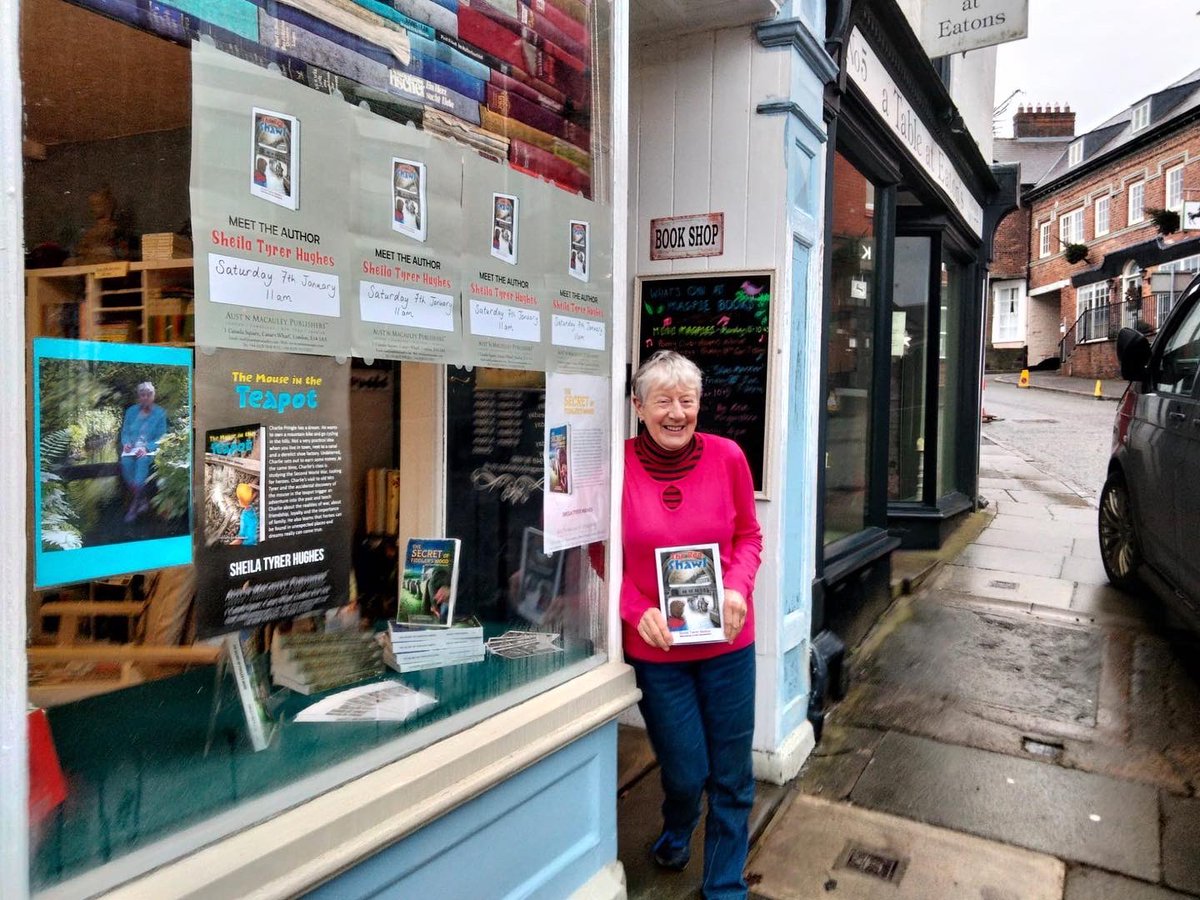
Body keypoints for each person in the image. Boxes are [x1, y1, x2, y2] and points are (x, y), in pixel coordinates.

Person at [621, 350, 762, 899]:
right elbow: (601, 552)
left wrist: (736, 587)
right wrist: (638, 610)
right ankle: (678, 828)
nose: (677, 412)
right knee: (685, 771)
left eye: (688, 400)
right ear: (639, 407)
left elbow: (748, 537)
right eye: (663, 400)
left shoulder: (728, 457)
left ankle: (725, 886)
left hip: (727, 644)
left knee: (732, 776)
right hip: (659, 652)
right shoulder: (619, 464)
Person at [119, 381, 168, 523]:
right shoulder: (131, 411)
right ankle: (142, 498)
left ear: (153, 396)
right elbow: (125, 432)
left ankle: (134, 506)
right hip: (132, 449)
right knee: (126, 462)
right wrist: (126, 443)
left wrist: (147, 448)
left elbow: (162, 437)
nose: (145, 397)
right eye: (142, 395)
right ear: (139, 397)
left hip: (150, 450)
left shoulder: (160, 413)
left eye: (148, 395)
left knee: (142, 460)